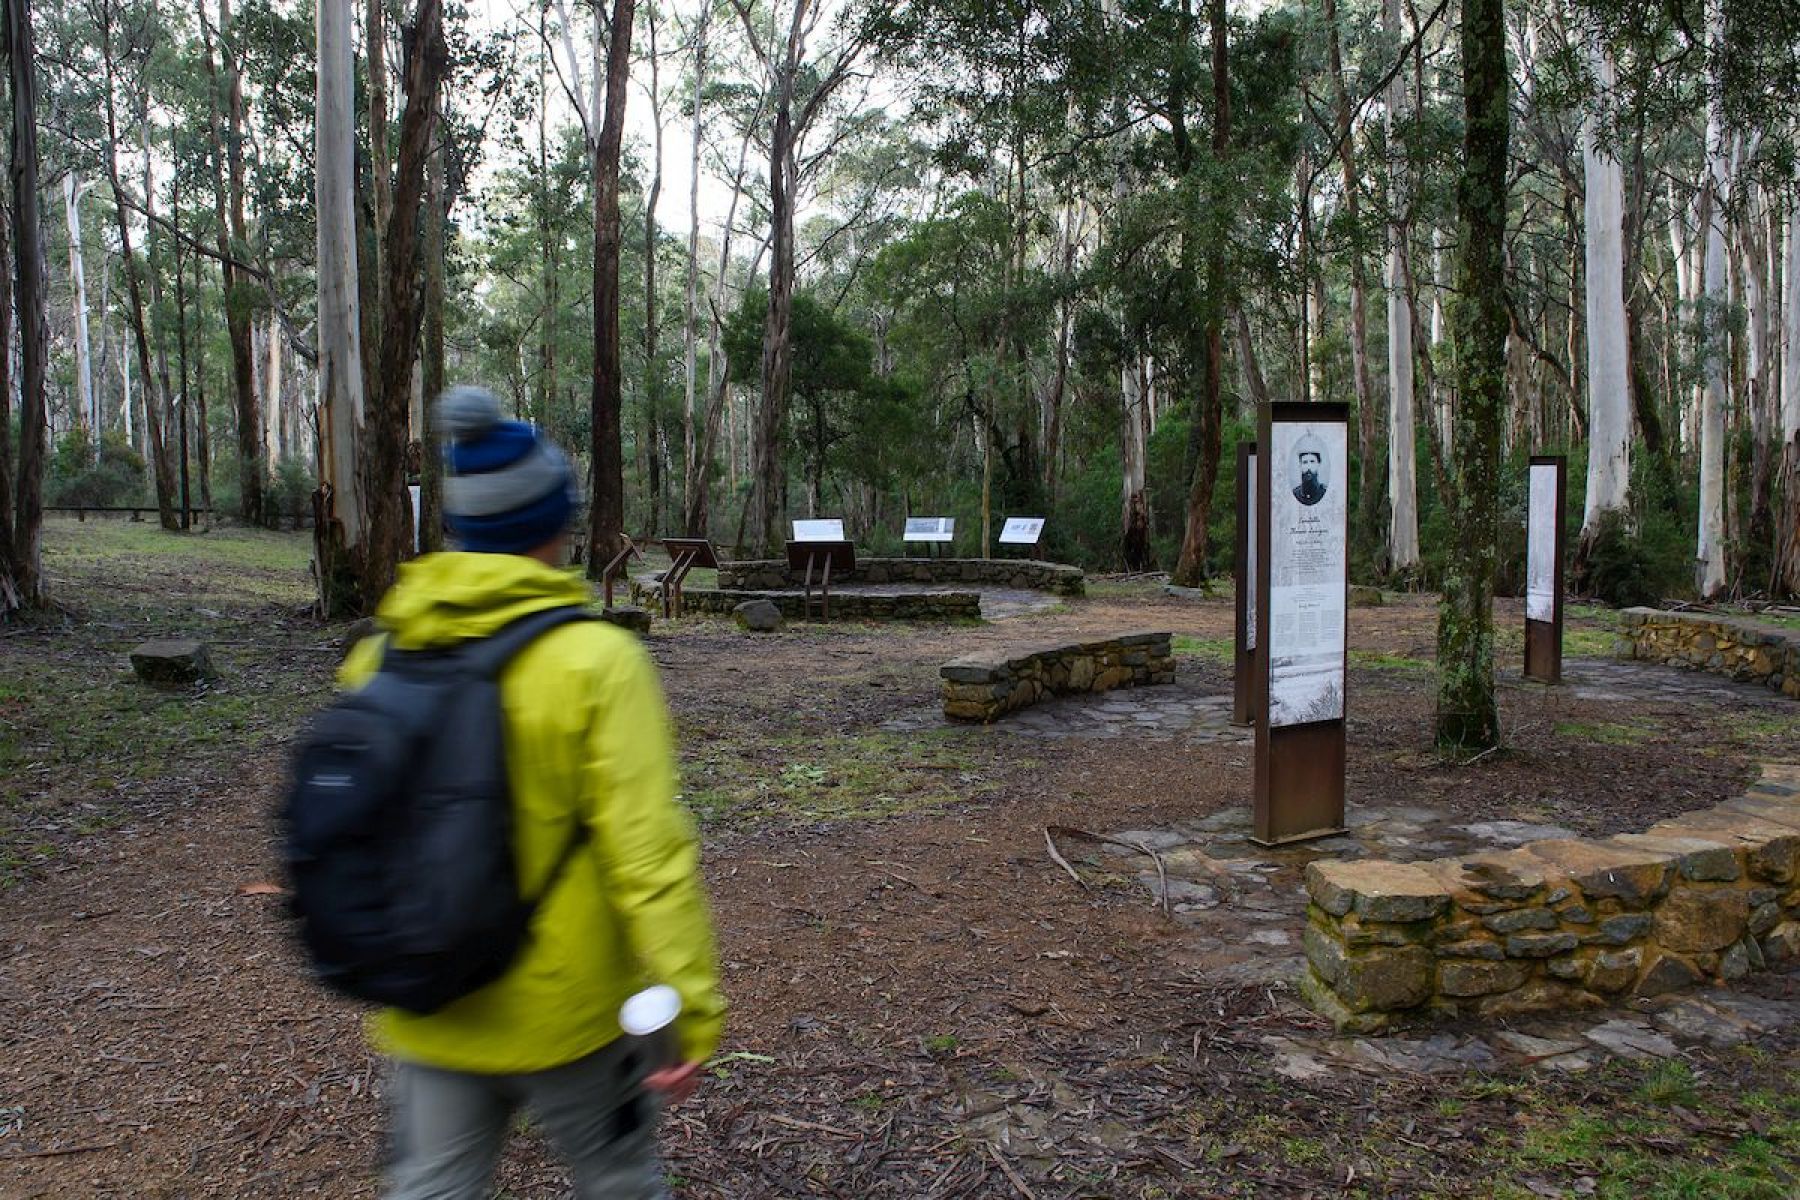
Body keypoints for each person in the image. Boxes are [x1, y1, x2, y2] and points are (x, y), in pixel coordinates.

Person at [340, 385, 724, 1200]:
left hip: (429, 1000)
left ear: (462, 526)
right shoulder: (596, 662)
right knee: (618, 1180)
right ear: (554, 525)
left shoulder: (382, 655)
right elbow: (649, 856)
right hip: (571, 1015)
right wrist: (688, 1003)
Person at [1292, 434, 1328, 507]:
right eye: (1305, 462)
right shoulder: (1295, 493)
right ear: (1300, 466)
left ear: (1318, 464)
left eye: (1312, 461)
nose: (1309, 467)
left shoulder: (1324, 493)